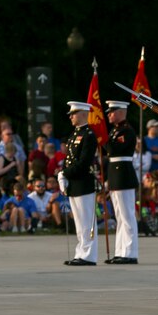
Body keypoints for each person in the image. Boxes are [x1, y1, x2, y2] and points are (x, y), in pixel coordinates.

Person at [60, 101, 99, 265]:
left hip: (83, 182)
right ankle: (81, 252)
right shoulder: (74, 135)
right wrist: (63, 173)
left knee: (86, 220)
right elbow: (68, 159)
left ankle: (89, 255)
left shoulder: (89, 135)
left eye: (73, 114)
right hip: (74, 182)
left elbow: (83, 162)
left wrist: (64, 173)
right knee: (79, 221)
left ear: (83, 114)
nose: (70, 117)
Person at [103, 100, 140, 264]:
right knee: (119, 215)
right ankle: (121, 250)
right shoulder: (114, 131)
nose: (109, 115)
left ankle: (130, 252)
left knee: (127, 216)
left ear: (120, 112)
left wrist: (101, 137)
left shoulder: (127, 131)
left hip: (123, 176)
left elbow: (113, 149)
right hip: (115, 176)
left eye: (112, 112)